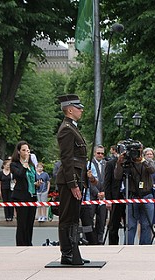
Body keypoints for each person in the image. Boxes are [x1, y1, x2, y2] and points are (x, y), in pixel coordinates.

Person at [55, 94, 88, 264]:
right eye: (78, 107)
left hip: (75, 177)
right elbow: (67, 159)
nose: (81, 110)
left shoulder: (72, 127)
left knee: (73, 216)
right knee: (67, 217)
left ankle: (73, 251)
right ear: (69, 109)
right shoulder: (67, 129)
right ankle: (67, 253)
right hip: (70, 179)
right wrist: (73, 184)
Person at [114, 145, 155, 245]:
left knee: (146, 225)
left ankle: (145, 247)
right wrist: (119, 162)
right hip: (133, 196)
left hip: (147, 196)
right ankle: (128, 248)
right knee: (131, 225)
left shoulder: (147, 161)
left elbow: (153, 170)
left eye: (138, 151)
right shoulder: (128, 162)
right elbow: (117, 176)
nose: (136, 153)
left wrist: (142, 160)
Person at [10, 141, 37, 246]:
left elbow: (33, 178)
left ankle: (29, 243)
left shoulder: (31, 165)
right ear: (18, 152)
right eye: (24, 150)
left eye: (28, 150)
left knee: (30, 222)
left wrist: (37, 183)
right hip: (20, 196)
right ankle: (21, 244)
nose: (26, 152)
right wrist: (24, 164)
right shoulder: (14, 165)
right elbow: (19, 175)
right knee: (22, 223)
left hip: (31, 195)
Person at [88, 145, 108, 241]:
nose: (100, 155)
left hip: (103, 197)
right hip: (92, 196)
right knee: (89, 220)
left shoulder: (106, 164)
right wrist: (97, 193)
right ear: (95, 153)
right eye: (98, 153)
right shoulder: (89, 164)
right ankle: (90, 240)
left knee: (102, 221)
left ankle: (100, 241)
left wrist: (104, 192)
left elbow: (108, 180)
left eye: (102, 153)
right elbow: (89, 181)